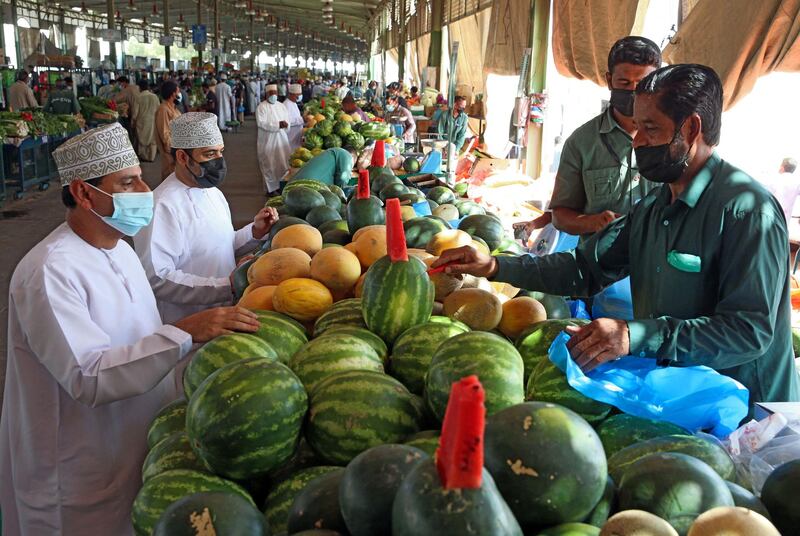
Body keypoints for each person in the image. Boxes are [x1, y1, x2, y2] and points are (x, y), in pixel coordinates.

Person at [434, 64, 800, 412]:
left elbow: (748, 331)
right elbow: (584, 269)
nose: (637, 141)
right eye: (637, 128)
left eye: (651, 129)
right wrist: (496, 266)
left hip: (749, 416)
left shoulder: (747, 211)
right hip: (679, 401)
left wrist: (634, 335)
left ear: (690, 129)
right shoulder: (655, 206)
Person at [0, 123, 260, 535]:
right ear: (84, 193)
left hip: (133, 440)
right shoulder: (49, 270)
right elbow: (89, 376)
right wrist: (185, 332)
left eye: (140, 177)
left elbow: (139, 336)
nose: (143, 190)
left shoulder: (118, 248)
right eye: (127, 182)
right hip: (78, 461)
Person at [135, 112, 279, 323]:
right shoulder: (162, 205)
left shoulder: (212, 192)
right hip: (190, 320)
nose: (219, 161)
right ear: (183, 157)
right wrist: (225, 285)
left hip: (224, 312)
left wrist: (254, 231)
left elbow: (221, 245)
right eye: (209, 154)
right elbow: (158, 277)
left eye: (221, 152)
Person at [550, 36, 661, 239]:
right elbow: (559, 216)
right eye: (624, 82)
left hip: (655, 264)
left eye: (642, 83)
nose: (633, 91)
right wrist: (592, 222)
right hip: (599, 264)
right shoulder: (581, 143)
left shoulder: (673, 139)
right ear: (609, 80)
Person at [256, 84, 291, 195]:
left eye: (275, 93)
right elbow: (261, 123)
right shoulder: (261, 107)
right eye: (271, 94)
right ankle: (270, 189)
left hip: (281, 139)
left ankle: (281, 187)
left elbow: (287, 120)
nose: (273, 96)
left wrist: (286, 124)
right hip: (267, 141)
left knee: (283, 163)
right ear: (266, 94)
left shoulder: (281, 106)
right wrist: (277, 124)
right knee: (269, 165)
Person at [155, 81, 183, 180]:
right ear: (173, 94)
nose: (180, 93)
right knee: (170, 177)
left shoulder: (174, 108)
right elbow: (164, 133)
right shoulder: (163, 109)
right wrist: (172, 151)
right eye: (178, 91)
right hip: (171, 151)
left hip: (178, 148)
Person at [760, 157, 800, 224]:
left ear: (782, 167)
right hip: (785, 222)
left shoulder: (772, 179)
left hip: (769, 219)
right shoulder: (797, 183)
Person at [132, 80, 159, 162]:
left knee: (142, 139)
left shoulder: (138, 97)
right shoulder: (154, 96)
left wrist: (133, 121)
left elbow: (135, 112)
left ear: (139, 88)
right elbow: (159, 109)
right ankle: (151, 157)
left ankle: (144, 156)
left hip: (142, 121)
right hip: (153, 120)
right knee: (152, 139)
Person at [283, 83, 305, 150]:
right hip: (291, 137)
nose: (299, 97)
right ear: (291, 94)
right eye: (297, 95)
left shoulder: (294, 103)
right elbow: (287, 121)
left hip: (297, 136)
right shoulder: (286, 105)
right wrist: (302, 119)